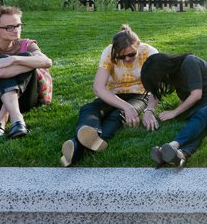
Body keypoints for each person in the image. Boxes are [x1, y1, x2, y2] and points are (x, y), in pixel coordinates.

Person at [61, 25, 160, 166]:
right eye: (121, 56)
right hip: (114, 93)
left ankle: (76, 147)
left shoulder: (150, 53)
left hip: (139, 94)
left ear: (138, 44)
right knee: (89, 109)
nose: (126, 59)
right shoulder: (108, 52)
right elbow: (98, 88)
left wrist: (149, 110)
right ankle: (91, 133)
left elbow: (156, 89)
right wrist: (127, 106)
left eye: (131, 54)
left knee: (118, 115)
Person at [141, 53, 207, 167]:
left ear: (163, 71)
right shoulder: (175, 76)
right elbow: (184, 98)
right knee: (199, 124)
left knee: (201, 115)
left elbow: (196, 95)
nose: (160, 83)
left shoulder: (189, 62)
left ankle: (173, 145)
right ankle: (180, 155)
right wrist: (175, 112)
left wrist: (174, 112)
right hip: (203, 106)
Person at [0, 6, 52, 139]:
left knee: (27, 56)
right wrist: (27, 62)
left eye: (18, 25)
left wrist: (14, 59)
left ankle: (2, 119)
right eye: (9, 27)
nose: (16, 30)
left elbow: (47, 62)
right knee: (25, 59)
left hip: (24, 101)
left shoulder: (27, 44)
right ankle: (16, 118)